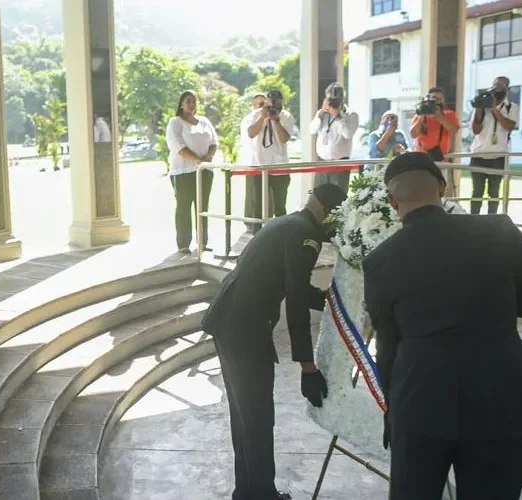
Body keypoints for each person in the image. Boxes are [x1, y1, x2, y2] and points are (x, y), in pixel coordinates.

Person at [364, 152, 522, 499]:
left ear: (392, 201)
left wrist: (394, 411)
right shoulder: (500, 230)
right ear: (444, 187)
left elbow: (387, 347)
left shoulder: (380, 260)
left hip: (420, 401)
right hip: (498, 399)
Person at [201, 183, 348, 500]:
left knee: (245, 415)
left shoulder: (288, 223)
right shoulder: (305, 237)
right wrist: (308, 367)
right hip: (244, 327)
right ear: (327, 212)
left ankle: (248, 492)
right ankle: (261, 494)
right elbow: (295, 301)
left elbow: (290, 283)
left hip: (230, 320)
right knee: (256, 415)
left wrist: (333, 301)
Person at [166, 90, 219, 254]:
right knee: (183, 207)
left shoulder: (204, 121)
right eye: (188, 101)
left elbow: (214, 141)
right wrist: (197, 159)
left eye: (194, 101)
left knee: (202, 207)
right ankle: (183, 244)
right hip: (183, 172)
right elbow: (177, 146)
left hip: (204, 171)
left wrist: (208, 157)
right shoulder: (175, 122)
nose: (191, 104)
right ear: (181, 104)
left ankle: (202, 242)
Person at [469, 76, 519, 214]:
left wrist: (494, 109)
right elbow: (475, 130)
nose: (498, 88)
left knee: (494, 192)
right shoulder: (482, 104)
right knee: (477, 192)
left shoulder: (511, 107)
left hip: (498, 156)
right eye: (496, 85)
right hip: (478, 154)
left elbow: (509, 126)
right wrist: (480, 110)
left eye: (502, 86)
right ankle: (474, 221)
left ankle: (492, 221)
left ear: (507, 89)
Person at [244, 89, 296, 220]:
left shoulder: (286, 116)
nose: (274, 105)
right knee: (258, 205)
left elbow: (284, 139)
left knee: (280, 206)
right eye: (271, 101)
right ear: (266, 100)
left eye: (277, 101)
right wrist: (263, 117)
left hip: (280, 167)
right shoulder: (256, 115)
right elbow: (250, 134)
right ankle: (257, 234)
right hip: (259, 166)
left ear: (282, 101)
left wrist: (276, 121)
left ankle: (278, 235)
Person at [310, 82, 359, 192]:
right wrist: (320, 115)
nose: (331, 102)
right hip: (322, 162)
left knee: (338, 199)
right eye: (329, 99)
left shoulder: (351, 114)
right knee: (318, 196)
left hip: (340, 164)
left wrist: (337, 116)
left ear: (342, 99)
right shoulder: (322, 114)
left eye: (335, 99)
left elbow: (348, 134)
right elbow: (312, 130)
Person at [240, 92, 267, 234]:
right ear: (253, 105)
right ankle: (252, 223)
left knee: (266, 196)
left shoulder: (272, 117)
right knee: (253, 195)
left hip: (268, 164)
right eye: (260, 104)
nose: (263, 107)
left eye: (265, 103)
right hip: (253, 162)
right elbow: (251, 134)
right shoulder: (249, 118)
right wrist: (261, 117)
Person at [409, 87, 460, 162]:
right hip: (420, 158)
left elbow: (454, 131)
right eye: (434, 99)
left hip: (440, 158)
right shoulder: (420, 115)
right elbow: (413, 134)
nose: (437, 102)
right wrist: (422, 116)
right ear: (428, 99)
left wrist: (440, 117)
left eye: (440, 99)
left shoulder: (449, 114)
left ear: (443, 101)